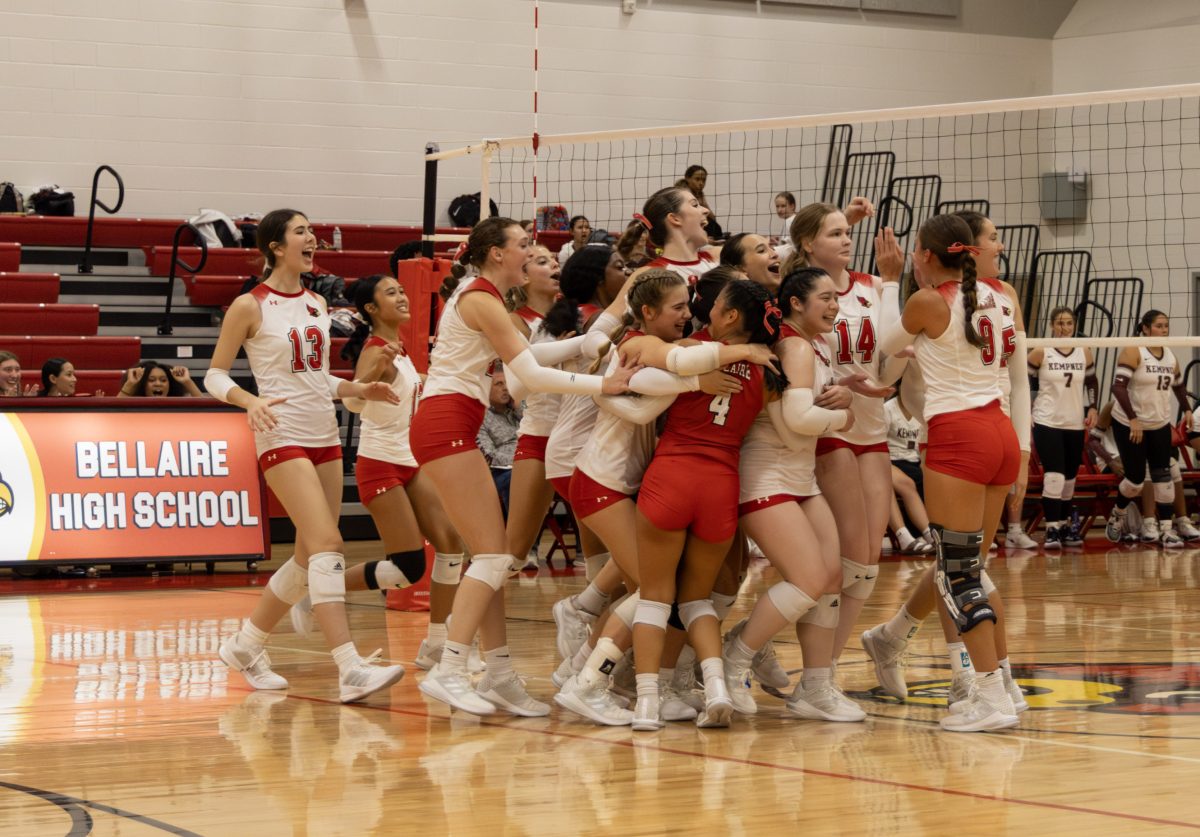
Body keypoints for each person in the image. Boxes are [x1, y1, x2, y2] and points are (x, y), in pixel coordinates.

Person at [412, 216, 637, 718]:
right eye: (523, 245)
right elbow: (529, 373)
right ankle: (450, 668)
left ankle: (498, 674)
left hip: (449, 422)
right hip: (445, 422)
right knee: (493, 558)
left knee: (492, 561)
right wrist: (604, 384)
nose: (532, 252)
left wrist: (581, 345)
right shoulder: (481, 298)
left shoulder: (483, 296)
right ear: (496, 253)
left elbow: (527, 353)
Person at [206, 208, 406, 704]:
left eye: (312, 231)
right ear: (275, 245)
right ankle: (349, 667)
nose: (312, 238)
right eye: (301, 232)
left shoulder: (318, 302)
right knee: (328, 545)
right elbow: (215, 375)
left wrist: (359, 388)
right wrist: (249, 401)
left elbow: (318, 380)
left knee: (304, 557)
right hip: (281, 432)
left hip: (325, 433)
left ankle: (246, 644)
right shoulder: (249, 305)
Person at [553, 268, 744, 725]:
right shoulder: (639, 348)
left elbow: (634, 401)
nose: (686, 314)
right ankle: (588, 681)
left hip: (619, 483)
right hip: (602, 482)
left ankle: (578, 668)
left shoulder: (665, 352)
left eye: (687, 305)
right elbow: (644, 406)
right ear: (648, 312)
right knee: (657, 591)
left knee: (650, 587)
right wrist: (697, 382)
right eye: (677, 307)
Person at [875, 213, 1029, 731]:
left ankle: (988, 695)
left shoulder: (924, 302)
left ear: (923, 255)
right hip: (1000, 433)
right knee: (972, 568)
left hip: (958, 438)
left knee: (956, 572)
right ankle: (1004, 684)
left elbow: (880, 358)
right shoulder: (1002, 295)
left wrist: (886, 281)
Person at [285, 273, 469, 674]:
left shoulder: (398, 349)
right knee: (407, 570)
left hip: (410, 461)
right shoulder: (376, 350)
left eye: (402, 290)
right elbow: (353, 404)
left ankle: (436, 644)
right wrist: (369, 381)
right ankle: (317, 590)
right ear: (371, 308)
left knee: (452, 546)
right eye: (392, 293)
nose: (403, 296)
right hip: (379, 463)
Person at [631, 278, 780, 731]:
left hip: (671, 476)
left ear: (731, 317)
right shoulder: (768, 373)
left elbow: (640, 375)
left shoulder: (690, 349)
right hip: (720, 485)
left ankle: (645, 705)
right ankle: (715, 688)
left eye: (715, 306)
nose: (704, 311)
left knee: (654, 599)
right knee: (697, 601)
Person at [725, 266, 866, 722]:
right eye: (823, 297)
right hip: (766, 476)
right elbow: (800, 423)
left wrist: (843, 397)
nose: (834, 304)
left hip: (799, 477)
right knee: (807, 579)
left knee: (830, 579)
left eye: (835, 297)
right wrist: (848, 417)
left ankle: (816, 687)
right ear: (795, 304)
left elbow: (807, 415)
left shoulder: (813, 345)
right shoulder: (793, 345)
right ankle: (738, 655)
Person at [785, 203, 907, 684]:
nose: (847, 238)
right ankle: (815, 674)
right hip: (826, 431)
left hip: (872, 427)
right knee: (839, 560)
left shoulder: (874, 288)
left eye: (847, 231)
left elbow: (894, 351)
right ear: (808, 244)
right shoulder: (798, 292)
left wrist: (885, 379)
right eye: (835, 233)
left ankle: (826, 670)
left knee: (867, 565)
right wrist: (840, 384)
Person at [1104, 310, 1193, 548]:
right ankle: (1118, 514)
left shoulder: (1170, 355)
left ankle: (1166, 530)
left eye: (1166, 326)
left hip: (1159, 424)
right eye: (1159, 326)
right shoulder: (1134, 351)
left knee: (1163, 475)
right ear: (1145, 328)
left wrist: (1187, 410)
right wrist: (1133, 419)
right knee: (1134, 481)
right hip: (1130, 424)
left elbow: (1179, 386)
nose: (1164, 331)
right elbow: (1118, 388)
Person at [1027, 306, 1099, 548]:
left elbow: (1091, 380)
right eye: (1060, 323)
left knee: (1070, 478)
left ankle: (1066, 526)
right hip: (1047, 420)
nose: (1065, 328)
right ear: (1051, 325)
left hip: (1074, 422)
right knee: (1054, 475)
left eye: (1069, 323)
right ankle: (1051, 530)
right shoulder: (1040, 351)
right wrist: (1026, 408)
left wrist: (1092, 407)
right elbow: (1024, 381)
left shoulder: (1083, 351)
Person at [885, 392, 934, 554]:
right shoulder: (888, 408)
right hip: (891, 460)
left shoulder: (923, 407)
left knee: (934, 480)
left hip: (916, 460)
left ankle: (931, 535)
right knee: (907, 484)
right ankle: (905, 537)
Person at [640, 186, 716, 285]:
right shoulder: (649, 276)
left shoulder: (718, 257)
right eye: (695, 205)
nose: (706, 210)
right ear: (675, 219)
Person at [478, 367, 521, 516]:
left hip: (528, 461)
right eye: (498, 384)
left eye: (507, 383)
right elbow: (488, 455)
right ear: (486, 388)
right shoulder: (480, 417)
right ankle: (517, 533)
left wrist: (519, 407)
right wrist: (518, 460)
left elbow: (538, 425)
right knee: (516, 478)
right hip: (501, 471)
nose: (505, 388)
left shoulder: (516, 411)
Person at [675, 165, 723, 242]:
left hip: (699, 229)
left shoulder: (699, 194)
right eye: (697, 179)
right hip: (684, 232)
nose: (701, 183)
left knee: (715, 226)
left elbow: (711, 215)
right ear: (687, 178)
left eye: (704, 180)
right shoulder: (682, 194)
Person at [117, 361, 203, 397]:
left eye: (163, 380)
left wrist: (187, 382)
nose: (158, 384)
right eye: (151, 380)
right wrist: (130, 384)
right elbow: (115, 415)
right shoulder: (132, 407)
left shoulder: (178, 408)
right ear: (142, 384)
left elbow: (206, 411)